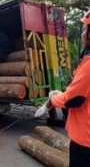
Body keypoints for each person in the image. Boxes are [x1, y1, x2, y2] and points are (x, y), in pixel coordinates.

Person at [35, 10, 90, 167]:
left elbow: (73, 99)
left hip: (85, 138)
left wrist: (52, 100)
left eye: (86, 29)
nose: (83, 34)